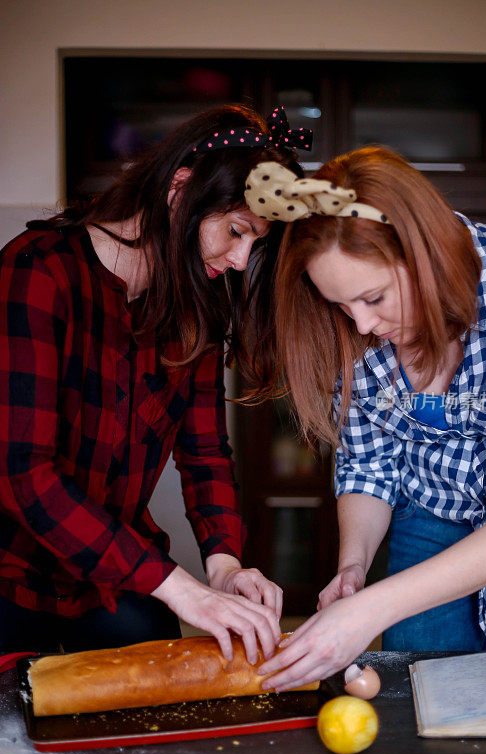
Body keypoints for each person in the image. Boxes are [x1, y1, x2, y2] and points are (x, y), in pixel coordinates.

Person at [0, 104, 312, 662]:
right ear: (180, 189)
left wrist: (224, 566)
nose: (241, 260)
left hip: (113, 579)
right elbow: (26, 477)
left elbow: (205, 454)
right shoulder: (38, 271)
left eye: (254, 244)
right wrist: (177, 586)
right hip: (12, 575)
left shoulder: (197, 304)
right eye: (237, 230)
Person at [241, 148, 486, 691]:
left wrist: (369, 612)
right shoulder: (354, 324)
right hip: (428, 517)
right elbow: (369, 464)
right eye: (343, 307)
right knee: (428, 694)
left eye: (374, 298)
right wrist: (354, 568)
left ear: (424, 254)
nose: (365, 326)